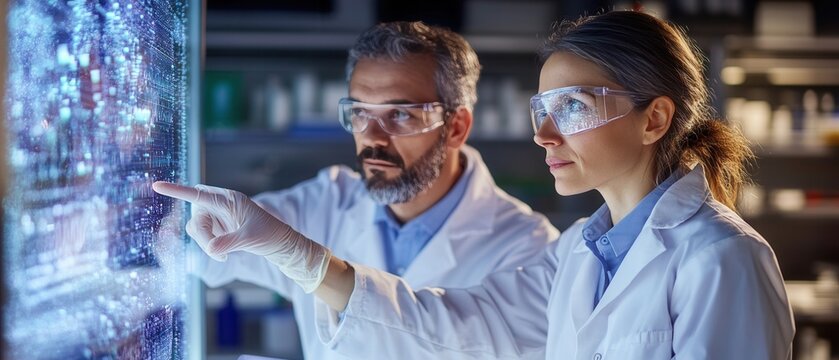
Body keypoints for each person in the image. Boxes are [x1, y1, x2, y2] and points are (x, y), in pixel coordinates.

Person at [154, 11, 795, 359]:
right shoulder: (577, 251)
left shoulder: (723, 258)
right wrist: (296, 253)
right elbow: (459, 322)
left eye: (572, 107)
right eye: (542, 112)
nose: (546, 136)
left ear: (654, 117)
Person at [175, 21, 558, 360]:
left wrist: (310, 263)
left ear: (456, 127)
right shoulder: (325, 202)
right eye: (360, 113)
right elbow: (205, 256)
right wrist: (182, 228)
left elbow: (451, 336)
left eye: (401, 114)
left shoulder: (528, 248)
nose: (372, 139)